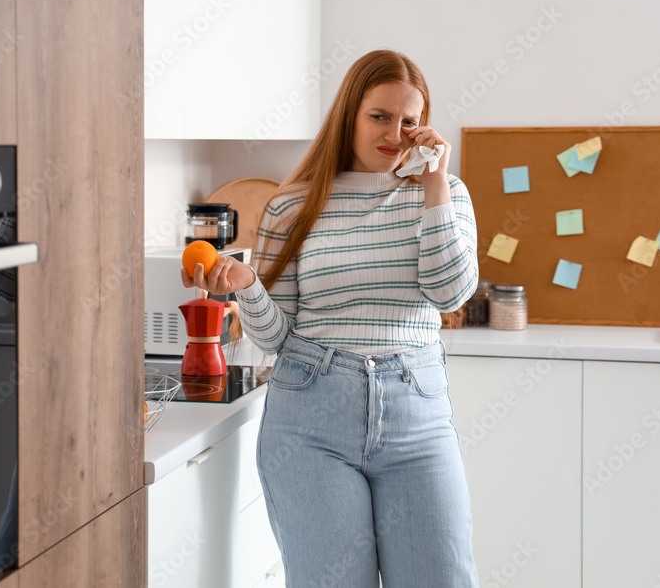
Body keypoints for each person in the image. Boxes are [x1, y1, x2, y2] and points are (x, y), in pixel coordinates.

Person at [181, 49, 481, 587]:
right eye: (379, 116)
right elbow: (277, 336)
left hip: (417, 416)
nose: (394, 133)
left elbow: (450, 293)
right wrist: (248, 288)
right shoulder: (293, 206)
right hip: (309, 418)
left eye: (408, 121)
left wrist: (435, 182)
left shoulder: (445, 196)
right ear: (350, 115)